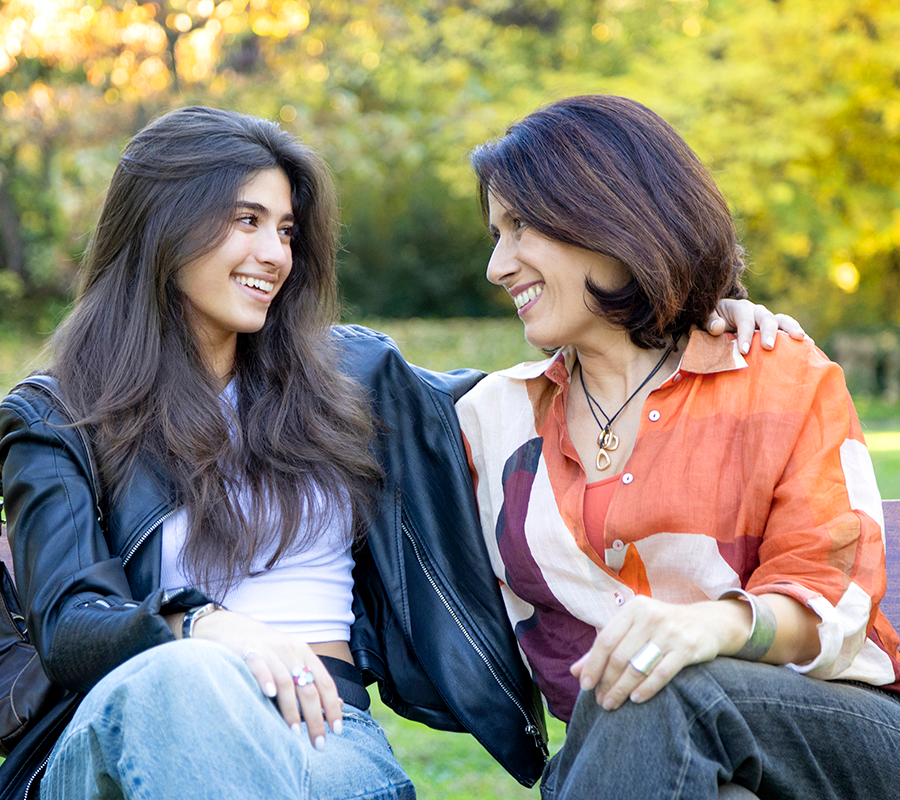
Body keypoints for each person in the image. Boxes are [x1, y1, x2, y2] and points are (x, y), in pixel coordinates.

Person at [0, 104, 805, 800]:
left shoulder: (352, 378)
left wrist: (695, 315)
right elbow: (73, 624)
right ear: (161, 226)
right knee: (179, 685)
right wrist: (208, 631)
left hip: (326, 742)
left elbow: (567, 383)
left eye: (284, 229)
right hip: (128, 739)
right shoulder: (56, 417)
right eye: (245, 221)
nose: (276, 254)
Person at [458, 94, 900, 800]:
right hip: (630, 756)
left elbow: (830, 597)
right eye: (494, 235)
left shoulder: (778, 374)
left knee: (662, 678)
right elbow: (343, 385)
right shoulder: (492, 418)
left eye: (520, 228)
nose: (497, 266)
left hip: (835, 735)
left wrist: (707, 629)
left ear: (610, 215)